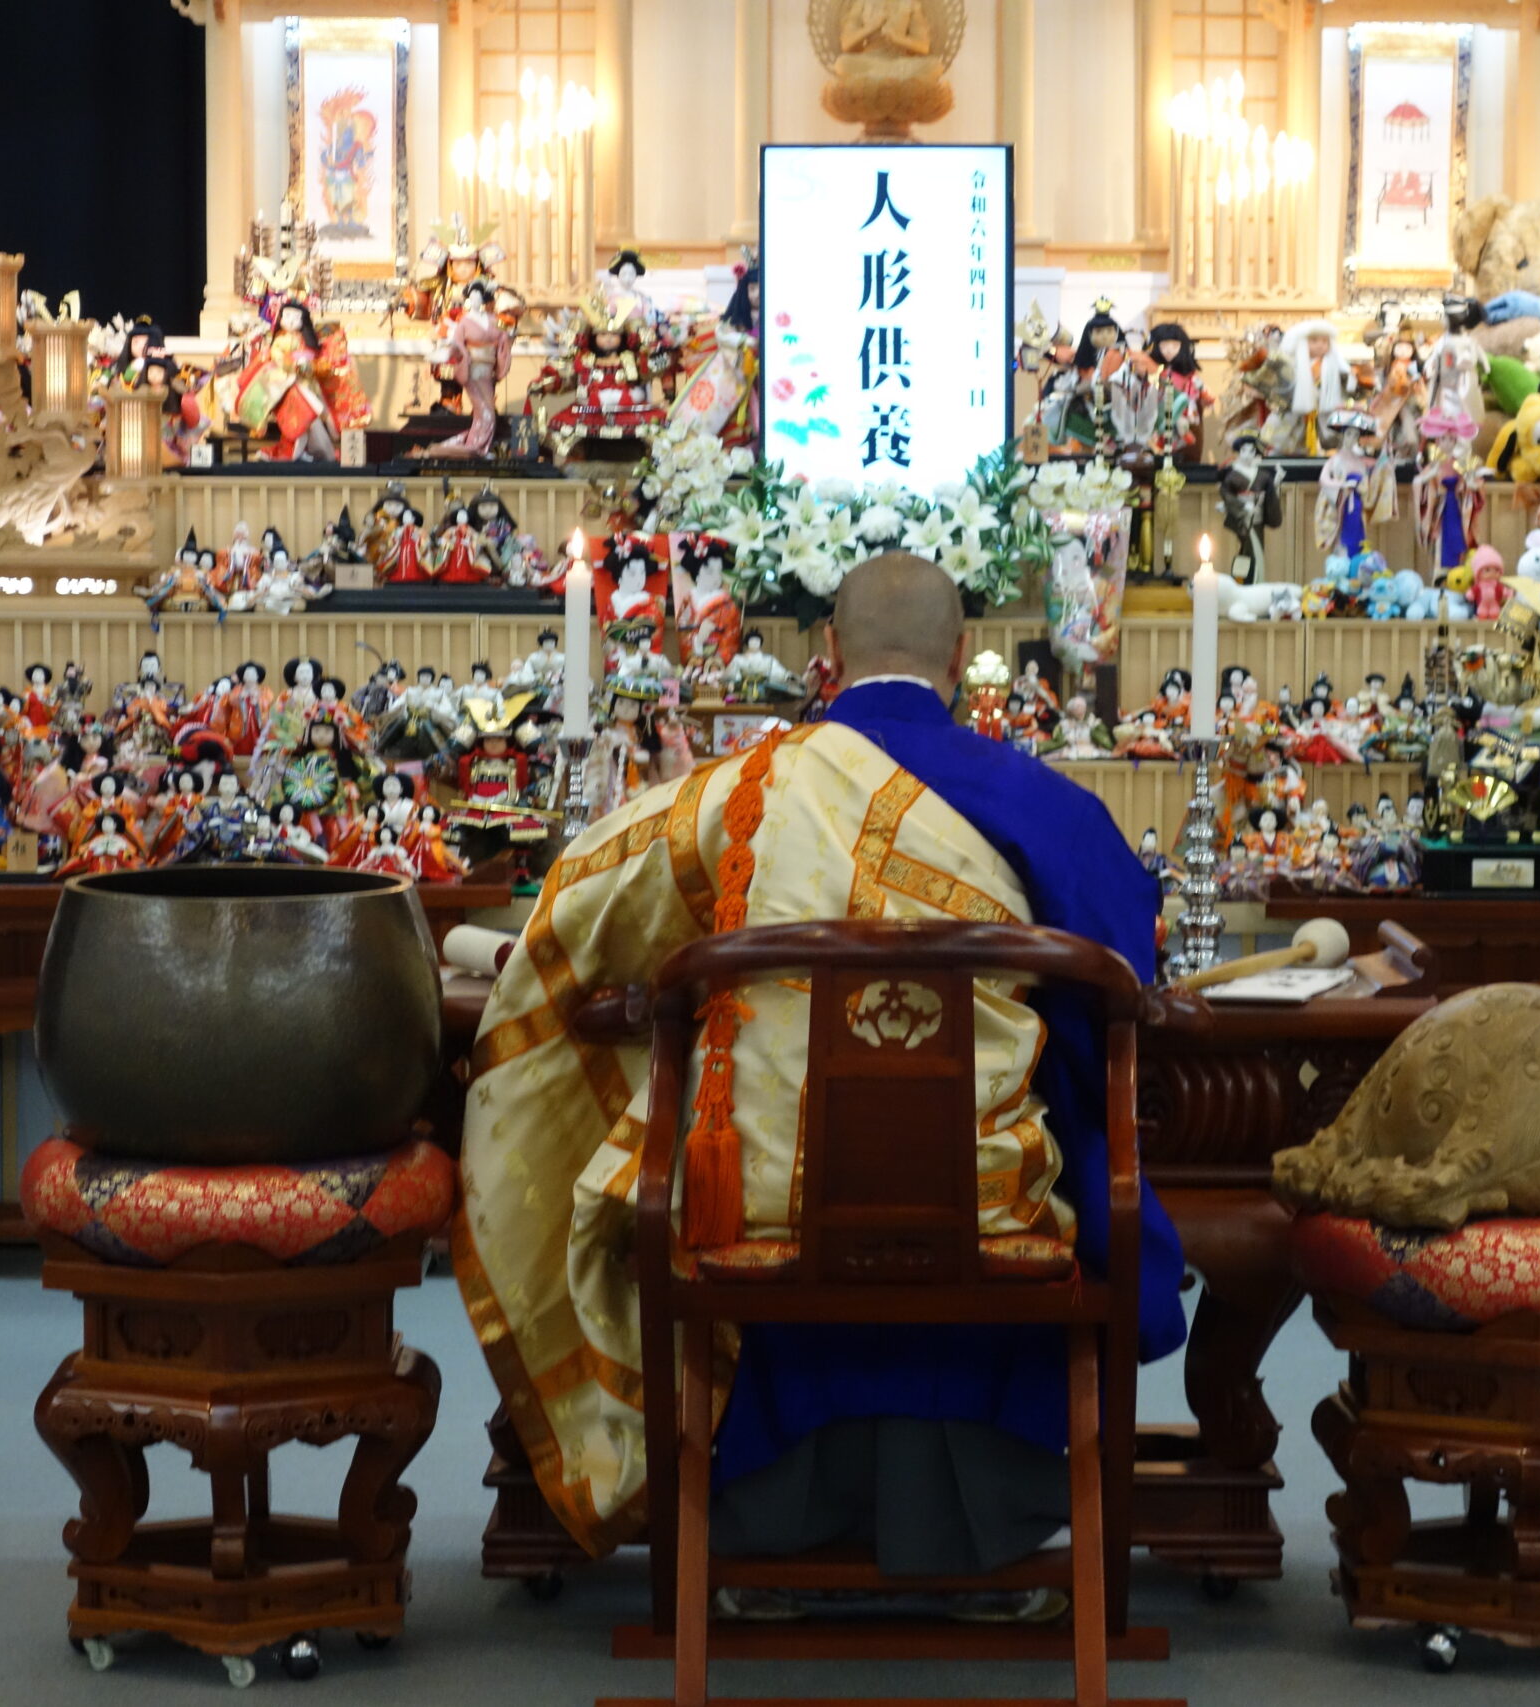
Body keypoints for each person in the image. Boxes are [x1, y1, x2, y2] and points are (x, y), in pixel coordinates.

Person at [456, 552, 1186, 1599]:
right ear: (964, 657)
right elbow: (1124, 997)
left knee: (682, 1123)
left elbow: (573, 920)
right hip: (987, 1231)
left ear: (824, 657)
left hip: (762, 1238)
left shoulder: (735, 796)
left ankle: (738, 1515)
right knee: (1061, 1128)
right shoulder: (1051, 810)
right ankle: (995, 1510)